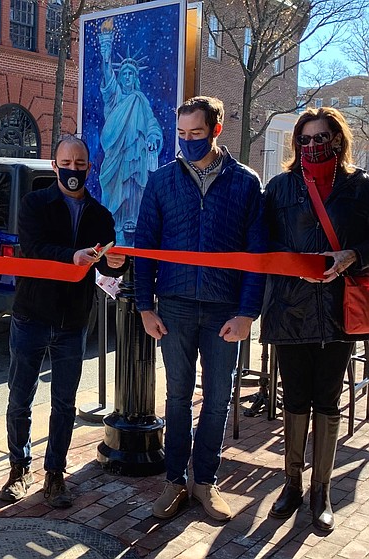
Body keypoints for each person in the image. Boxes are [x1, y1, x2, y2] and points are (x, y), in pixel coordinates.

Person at [134, 96, 266, 521]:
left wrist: (248, 313)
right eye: (183, 134)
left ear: (216, 130)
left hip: (224, 310)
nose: (189, 140)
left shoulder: (246, 182)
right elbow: (145, 248)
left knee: (217, 399)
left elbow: (257, 253)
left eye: (197, 132)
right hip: (173, 306)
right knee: (176, 397)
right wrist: (144, 306)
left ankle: (204, 482)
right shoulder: (161, 181)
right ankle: (175, 481)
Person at [0, 135, 128, 508]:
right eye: (66, 163)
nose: (74, 170)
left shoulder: (101, 215)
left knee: (65, 403)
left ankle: (55, 473)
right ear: (54, 165)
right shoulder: (35, 204)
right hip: (31, 314)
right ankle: (19, 468)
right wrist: (70, 256)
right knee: (20, 397)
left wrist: (115, 263)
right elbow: (35, 248)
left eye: (81, 163)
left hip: (73, 320)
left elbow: (105, 263)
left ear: (91, 166)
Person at [261, 107, 369, 532]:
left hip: (341, 312)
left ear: (338, 140)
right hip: (291, 309)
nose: (312, 146)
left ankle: (321, 490)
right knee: (294, 398)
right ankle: (292, 484)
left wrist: (355, 254)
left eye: (320, 138)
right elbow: (261, 240)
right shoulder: (280, 187)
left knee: (327, 400)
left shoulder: (361, 187)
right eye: (304, 140)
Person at [98, 21, 163, 247]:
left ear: (135, 77)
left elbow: (152, 124)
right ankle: (113, 228)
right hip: (116, 156)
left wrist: (154, 139)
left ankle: (131, 227)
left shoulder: (140, 99)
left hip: (135, 157)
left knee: (134, 192)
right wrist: (106, 52)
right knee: (114, 192)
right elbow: (108, 78)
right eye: (123, 73)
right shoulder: (115, 97)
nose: (126, 77)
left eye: (130, 74)